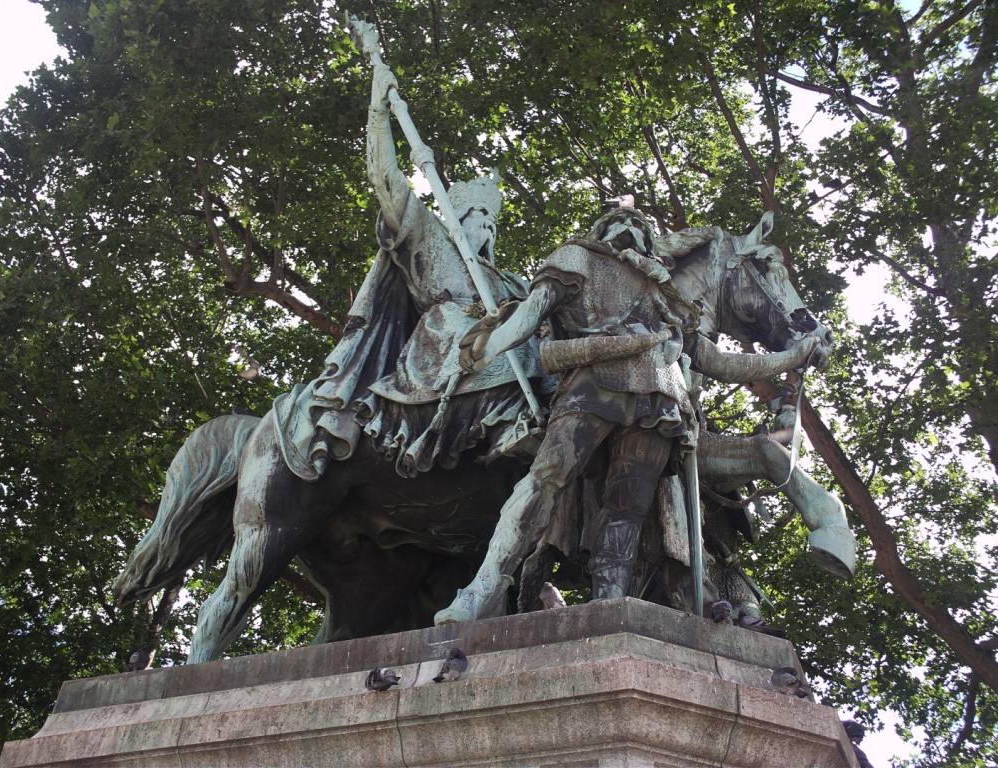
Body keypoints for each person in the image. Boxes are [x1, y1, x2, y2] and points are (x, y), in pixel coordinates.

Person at [434, 204, 828, 624]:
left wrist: (789, 356)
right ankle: (486, 587)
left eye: (640, 225)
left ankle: (609, 604)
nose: (630, 227)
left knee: (628, 509)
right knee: (546, 477)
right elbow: (532, 313)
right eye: (617, 222)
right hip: (591, 387)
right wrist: (490, 345)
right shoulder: (576, 257)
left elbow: (717, 361)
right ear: (601, 231)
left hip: (661, 403)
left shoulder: (667, 294)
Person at [273, 63, 546, 480]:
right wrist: (379, 115)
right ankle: (508, 425)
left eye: (493, 221)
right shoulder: (431, 238)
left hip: (511, 337)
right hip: (447, 347)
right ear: (457, 216)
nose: (487, 226)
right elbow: (387, 183)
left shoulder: (512, 281)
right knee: (489, 333)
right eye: (477, 216)